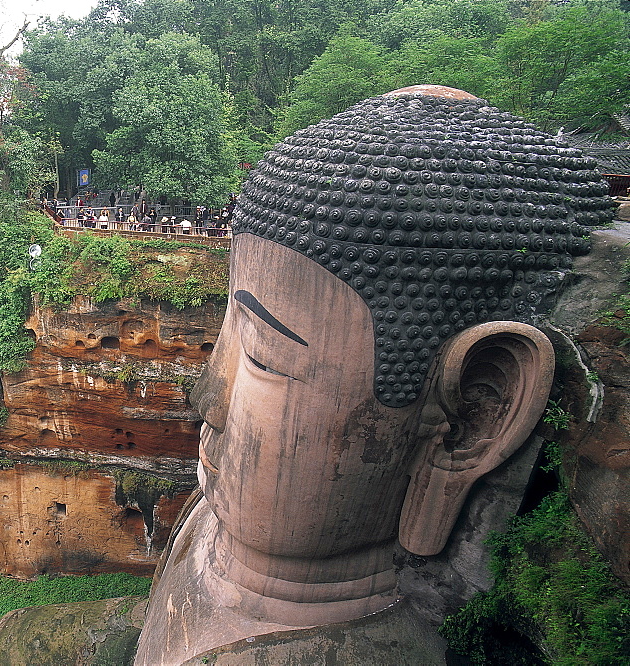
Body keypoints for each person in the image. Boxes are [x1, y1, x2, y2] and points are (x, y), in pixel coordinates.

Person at [135, 86, 614, 664]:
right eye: (225, 334)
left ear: (473, 419)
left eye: (262, 355)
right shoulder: (203, 523)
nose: (205, 396)